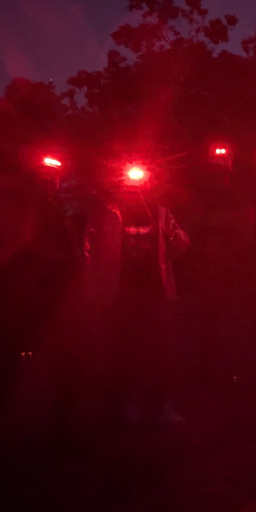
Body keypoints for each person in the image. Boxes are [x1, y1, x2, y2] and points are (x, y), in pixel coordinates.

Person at [85, 176, 190, 426]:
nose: (133, 191)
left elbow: (182, 243)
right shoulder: (105, 214)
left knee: (160, 352)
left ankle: (159, 405)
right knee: (123, 351)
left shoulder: (159, 213)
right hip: (119, 293)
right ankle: (124, 406)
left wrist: (166, 237)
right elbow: (88, 250)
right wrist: (93, 288)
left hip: (155, 293)